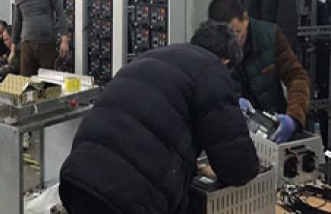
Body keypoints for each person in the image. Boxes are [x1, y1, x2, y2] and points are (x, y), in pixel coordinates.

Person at [59, 21, 260, 214]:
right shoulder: (212, 70)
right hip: (130, 197)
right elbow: (239, 166)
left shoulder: (153, 56)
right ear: (225, 61)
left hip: (78, 177)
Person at [208, 0, 310, 143]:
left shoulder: (270, 36)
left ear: (246, 19)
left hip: (273, 128)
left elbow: (297, 77)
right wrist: (230, 101)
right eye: (225, 37)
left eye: (236, 33)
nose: (232, 42)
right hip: (231, 131)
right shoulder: (210, 47)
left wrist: (294, 118)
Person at [10, 0, 69, 77]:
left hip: (46, 44)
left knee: (47, 80)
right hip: (27, 45)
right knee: (26, 81)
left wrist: (64, 40)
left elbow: (61, 14)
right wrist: (13, 48)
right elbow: (17, 22)